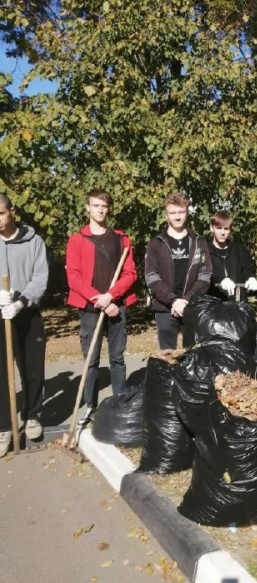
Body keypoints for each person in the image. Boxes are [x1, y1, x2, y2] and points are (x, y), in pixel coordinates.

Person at [66, 190, 138, 426]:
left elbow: (130, 274)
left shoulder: (121, 239)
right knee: (92, 359)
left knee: (117, 358)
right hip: (89, 307)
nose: (100, 210)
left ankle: (119, 405)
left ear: (109, 208)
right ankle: (90, 407)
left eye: (104, 206)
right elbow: (74, 278)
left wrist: (111, 296)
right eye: (95, 205)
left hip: (117, 305)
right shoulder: (77, 239)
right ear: (87, 207)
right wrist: (99, 299)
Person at [0, 193, 49, 457]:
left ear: (12, 211)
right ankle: (4, 426)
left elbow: (41, 277)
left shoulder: (34, 241)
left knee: (32, 369)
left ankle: (32, 415)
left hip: (27, 313)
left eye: (0, 214)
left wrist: (21, 302)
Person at [145, 193, 212, 349]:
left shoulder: (198, 242)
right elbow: (151, 277)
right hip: (165, 308)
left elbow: (205, 276)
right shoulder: (156, 244)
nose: (177, 217)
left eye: (181, 212)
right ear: (166, 214)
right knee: (168, 359)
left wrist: (187, 301)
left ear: (187, 212)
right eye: (173, 213)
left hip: (192, 306)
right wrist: (173, 300)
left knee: (194, 355)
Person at [207, 211, 257, 300]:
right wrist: (219, 281)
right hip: (214, 302)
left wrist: (251, 278)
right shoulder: (205, 250)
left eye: (226, 229)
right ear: (212, 228)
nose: (222, 232)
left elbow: (248, 269)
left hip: (238, 301)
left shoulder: (239, 250)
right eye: (219, 228)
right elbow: (202, 275)